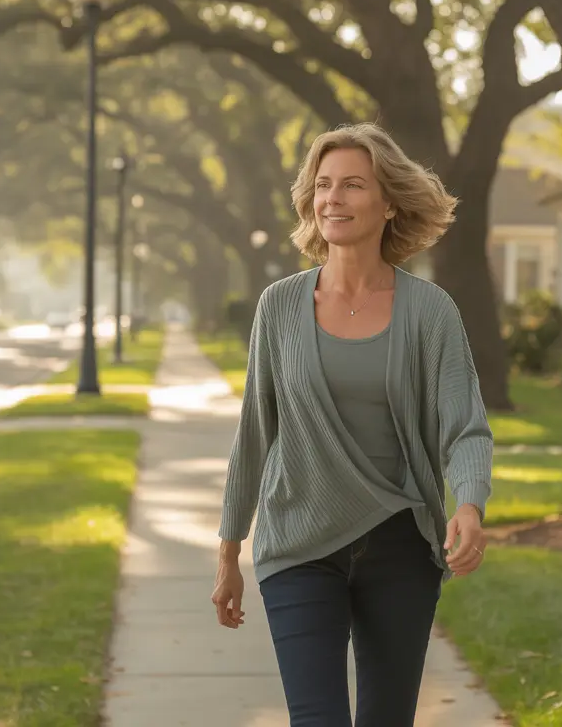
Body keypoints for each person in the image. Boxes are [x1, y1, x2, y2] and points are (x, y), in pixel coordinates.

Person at [210, 121, 494, 727]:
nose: (332, 198)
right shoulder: (280, 306)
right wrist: (229, 550)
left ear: (389, 203)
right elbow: (254, 432)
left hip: (399, 545)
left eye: (352, 185)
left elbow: (464, 424)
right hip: (299, 542)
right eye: (323, 185)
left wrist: (468, 504)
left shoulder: (430, 311)